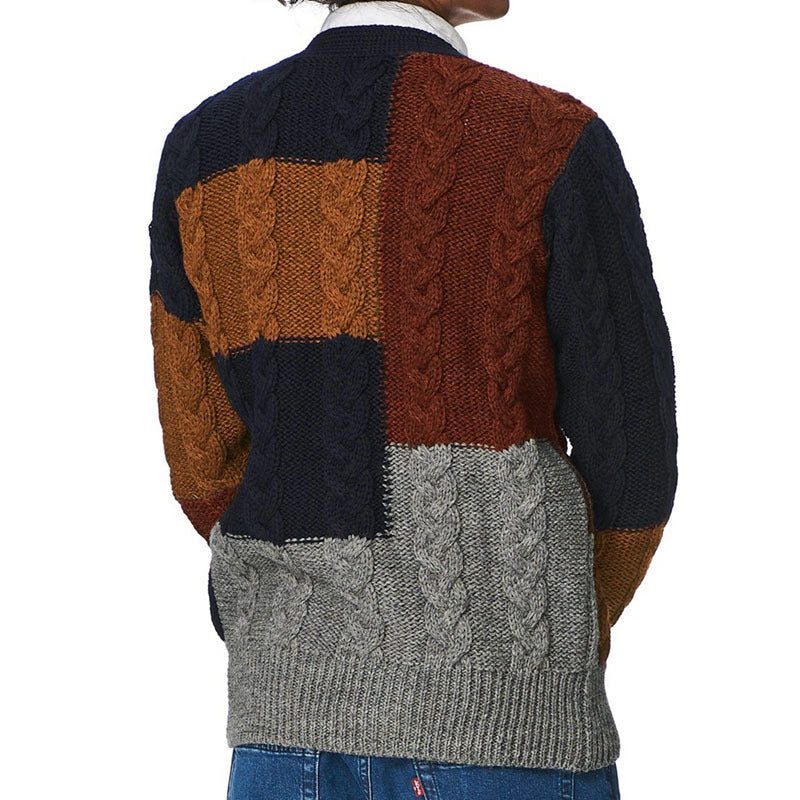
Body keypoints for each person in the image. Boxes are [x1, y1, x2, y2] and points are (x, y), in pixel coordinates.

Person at [147, 0, 678, 797]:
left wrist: (294, 625)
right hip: (506, 734)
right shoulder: (548, 139)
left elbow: (202, 462)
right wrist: (536, 630)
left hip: (283, 734)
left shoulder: (203, 150)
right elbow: (633, 464)